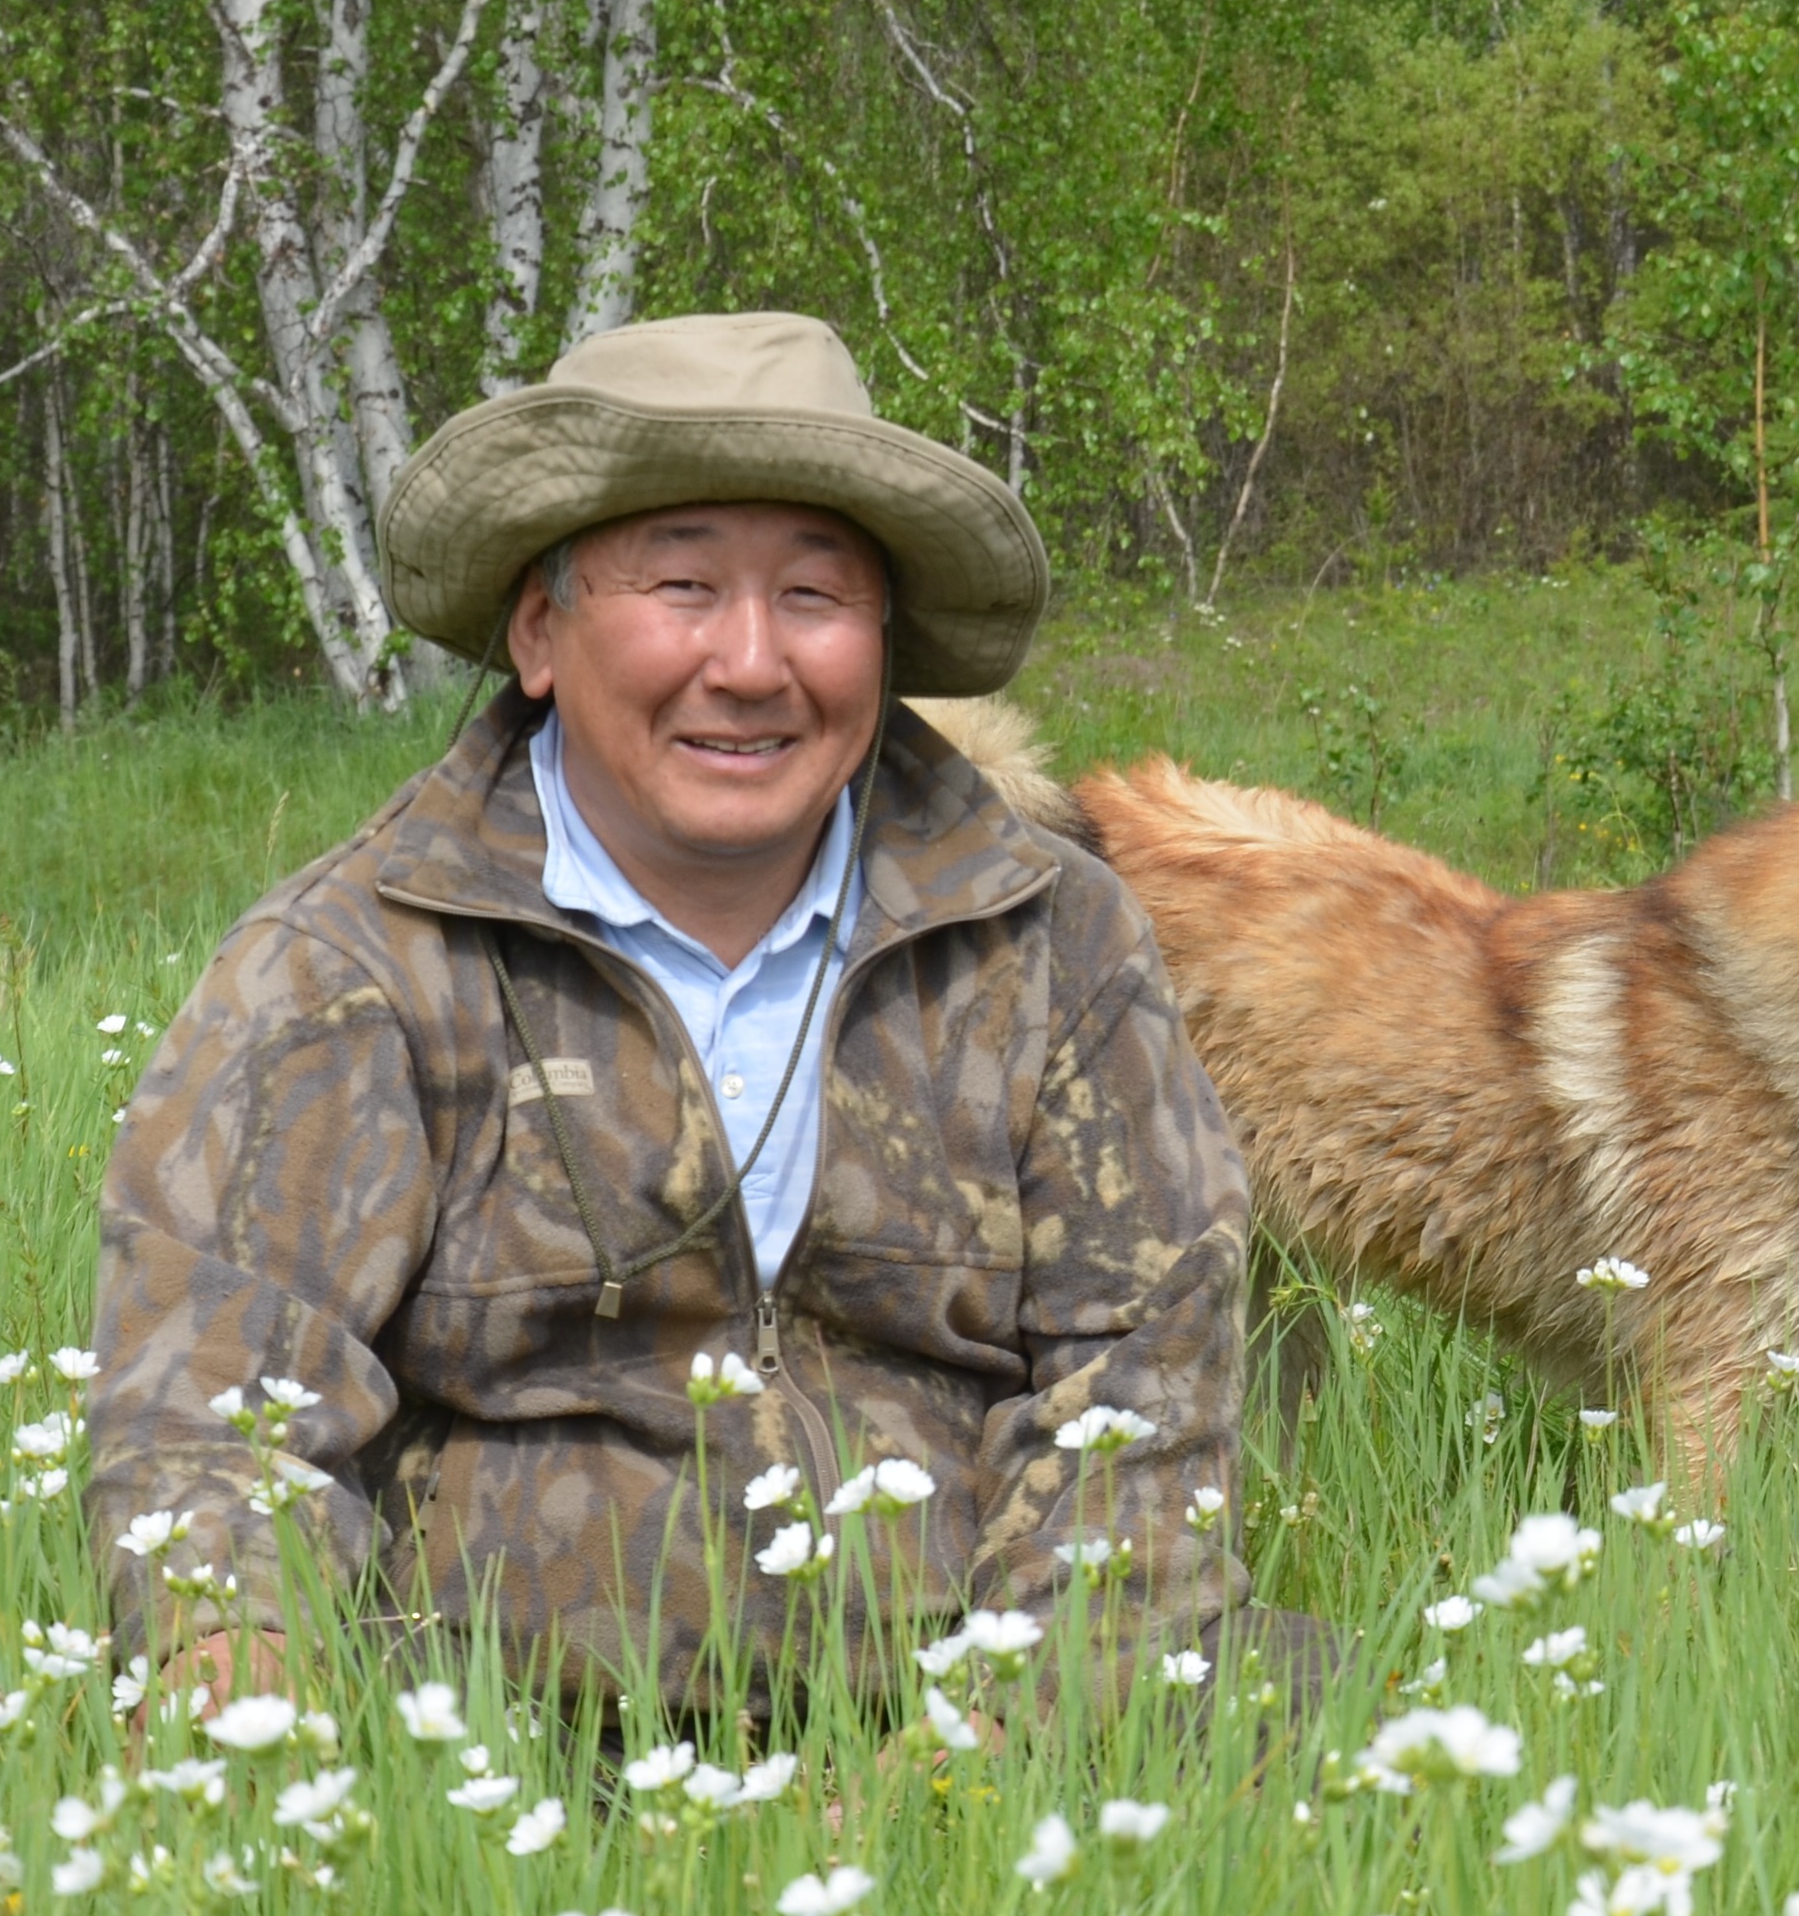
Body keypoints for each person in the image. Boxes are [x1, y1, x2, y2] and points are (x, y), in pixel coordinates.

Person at [84, 311, 1282, 1724]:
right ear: (541, 630)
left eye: (815, 595)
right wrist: (247, 1701)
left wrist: (972, 1766)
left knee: (1365, 1729)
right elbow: (212, 1427)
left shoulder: (1054, 942)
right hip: (492, 1740)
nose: (753, 663)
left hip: (985, 1722)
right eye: (684, 586)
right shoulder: (352, 965)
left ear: (883, 640)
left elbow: (1140, 1405)